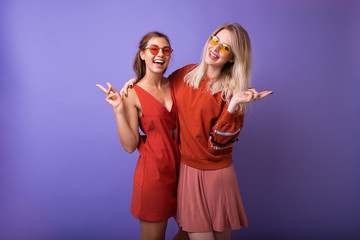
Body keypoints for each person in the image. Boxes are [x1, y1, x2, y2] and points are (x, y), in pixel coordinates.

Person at [121, 23, 273, 240]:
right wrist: (134, 82)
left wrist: (232, 107)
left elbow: (219, 144)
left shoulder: (232, 91)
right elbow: (155, 86)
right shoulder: (183, 75)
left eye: (226, 48)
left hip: (217, 174)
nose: (216, 48)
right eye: (214, 40)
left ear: (233, 58)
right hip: (186, 171)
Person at [96, 32, 180, 240]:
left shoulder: (178, 83)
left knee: (193, 232)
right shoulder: (132, 94)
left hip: (185, 172)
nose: (160, 54)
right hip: (154, 177)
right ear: (142, 54)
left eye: (166, 50)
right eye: (153, 49)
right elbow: (130, 145)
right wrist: (118, 109)